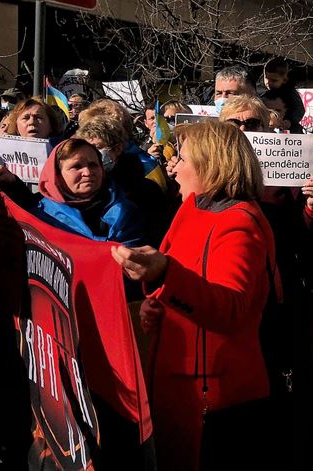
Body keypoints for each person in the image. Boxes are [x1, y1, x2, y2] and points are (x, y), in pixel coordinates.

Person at [110, 121, 279, 471]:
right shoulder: (190, 208)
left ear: (210, 164)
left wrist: (164, 275)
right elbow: (177, 279)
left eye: (181, 158)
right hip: (176, 383)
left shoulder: (239, 223)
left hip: (215, 398)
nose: (173, 167)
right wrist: (155, 302)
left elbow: (231, 307)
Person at [0, 138, 145, 246]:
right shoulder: (39, 210)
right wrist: (9, 184)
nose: (88, 173)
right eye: (76, 167)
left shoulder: (124, 212)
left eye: (93, 165)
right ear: (57, 175)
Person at [74, 115, 171, 246]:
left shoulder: (146, 191)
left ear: (117, 148)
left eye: (97, 147)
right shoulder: (81, 187)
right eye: (87, 148)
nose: (91, 155)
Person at [260, 58, 304, 133]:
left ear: (284, 79)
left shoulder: (290, 93)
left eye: (274, 80)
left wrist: (289, 121)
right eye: (267, 78)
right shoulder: (262, 92)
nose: (269, 83)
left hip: (289, 131)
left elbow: (299, 109)